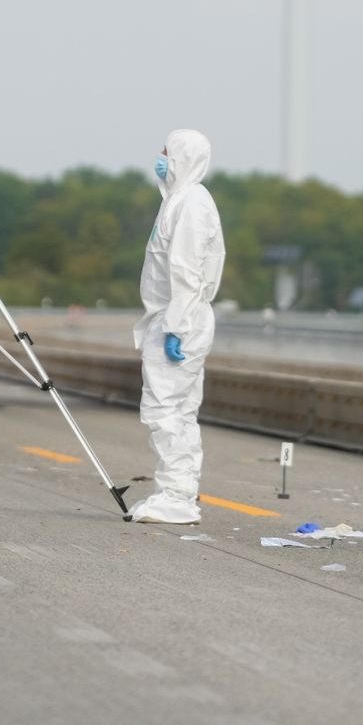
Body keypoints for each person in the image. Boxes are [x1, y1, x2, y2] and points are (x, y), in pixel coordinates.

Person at [127, 129, 226, 524]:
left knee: (164, 408)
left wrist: (176, 327)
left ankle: (177, 497)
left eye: (167, 151)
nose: (161, 157)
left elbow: (186, 270)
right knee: (180, 410)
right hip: (176, 316)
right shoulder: (178, 201)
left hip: (179, 318)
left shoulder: (191, 204)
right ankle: (178, 492)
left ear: (183, 156)